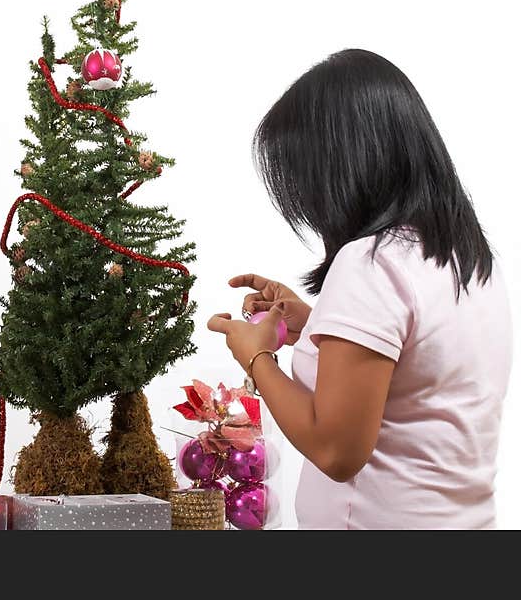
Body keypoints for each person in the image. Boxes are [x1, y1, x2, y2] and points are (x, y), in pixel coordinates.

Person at [207, 49, 512, 529]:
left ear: (343, 166)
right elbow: (414, 371)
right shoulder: (466, 259)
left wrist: (256, 358)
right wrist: (317, 325)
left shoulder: (371, 264)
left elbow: (336, 450)